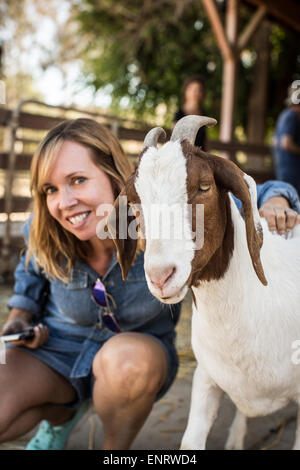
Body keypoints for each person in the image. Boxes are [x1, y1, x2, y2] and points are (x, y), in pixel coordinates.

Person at [0, 118, 299, 451]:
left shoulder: (162, 216)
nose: (64, 201)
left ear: (115, 174)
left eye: (78, 180)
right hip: (58, 349)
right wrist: (19, 320)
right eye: (50, 189)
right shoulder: (43, 229)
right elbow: (28, 282)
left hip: (132, 360)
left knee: (124, 364)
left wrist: (278, 198)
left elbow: (230, 198)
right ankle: (59, 418)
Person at [273, 85, 300, 196]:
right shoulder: (293, 116)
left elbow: (275, 141)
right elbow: (286, 143)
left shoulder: (283, 115)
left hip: (282, 167)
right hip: (292, 170)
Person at [174, 76, 207, 150]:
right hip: (183, 154)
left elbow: (204, 140)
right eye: (192, 89)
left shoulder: (203, 113)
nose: (195, 92)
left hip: (200, 155)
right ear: (186, 91)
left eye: (199, 90)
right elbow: (174, 138)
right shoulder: (179, 113)